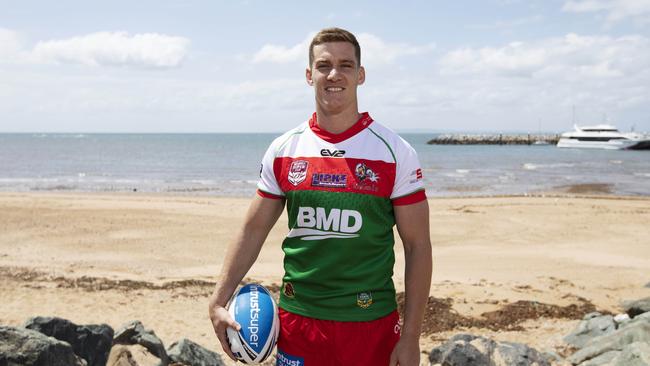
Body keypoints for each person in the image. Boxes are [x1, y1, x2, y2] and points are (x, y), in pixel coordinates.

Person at [208, 27, 432, 366]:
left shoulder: (394, 152)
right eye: (324, 65)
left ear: (361, 75)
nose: (334, 74)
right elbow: (253, 230)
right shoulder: (285, 149)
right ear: (309, 75)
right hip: (299, 323)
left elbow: (418, 246)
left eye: (345, 65)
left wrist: (412, 337)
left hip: (370, 324)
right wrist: (218, 301)